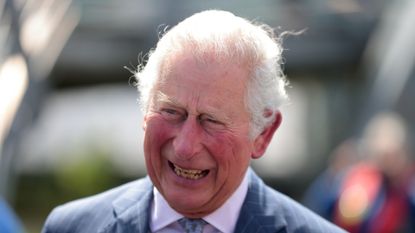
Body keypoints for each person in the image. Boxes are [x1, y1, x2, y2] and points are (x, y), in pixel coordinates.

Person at [41, 10, 346, 233]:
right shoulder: (71, 226)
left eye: (211, 121)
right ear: (145, 109)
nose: (185, 146)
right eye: (171, 112)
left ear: (263, 134)